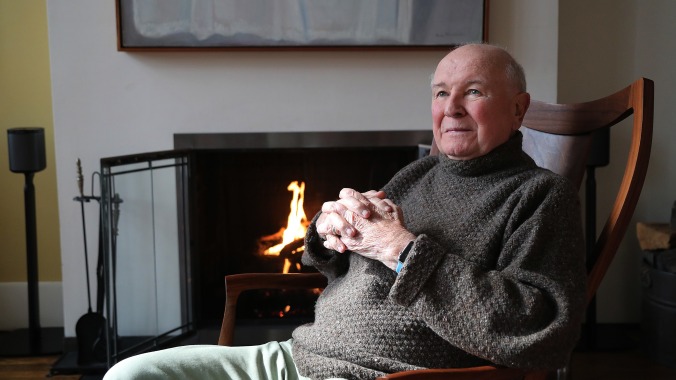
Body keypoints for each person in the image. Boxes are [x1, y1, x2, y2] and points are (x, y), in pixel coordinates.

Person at [104, 43, 586, 380]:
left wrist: (400, 249)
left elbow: (538, 330)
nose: (451, 108)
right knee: (133, 372)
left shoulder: (539, 196)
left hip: (381, 375)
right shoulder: (418, 174)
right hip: (301, 357)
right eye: (441, 93)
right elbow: (344, 261)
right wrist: (329, 231)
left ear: (519, 109)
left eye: (474, 92)